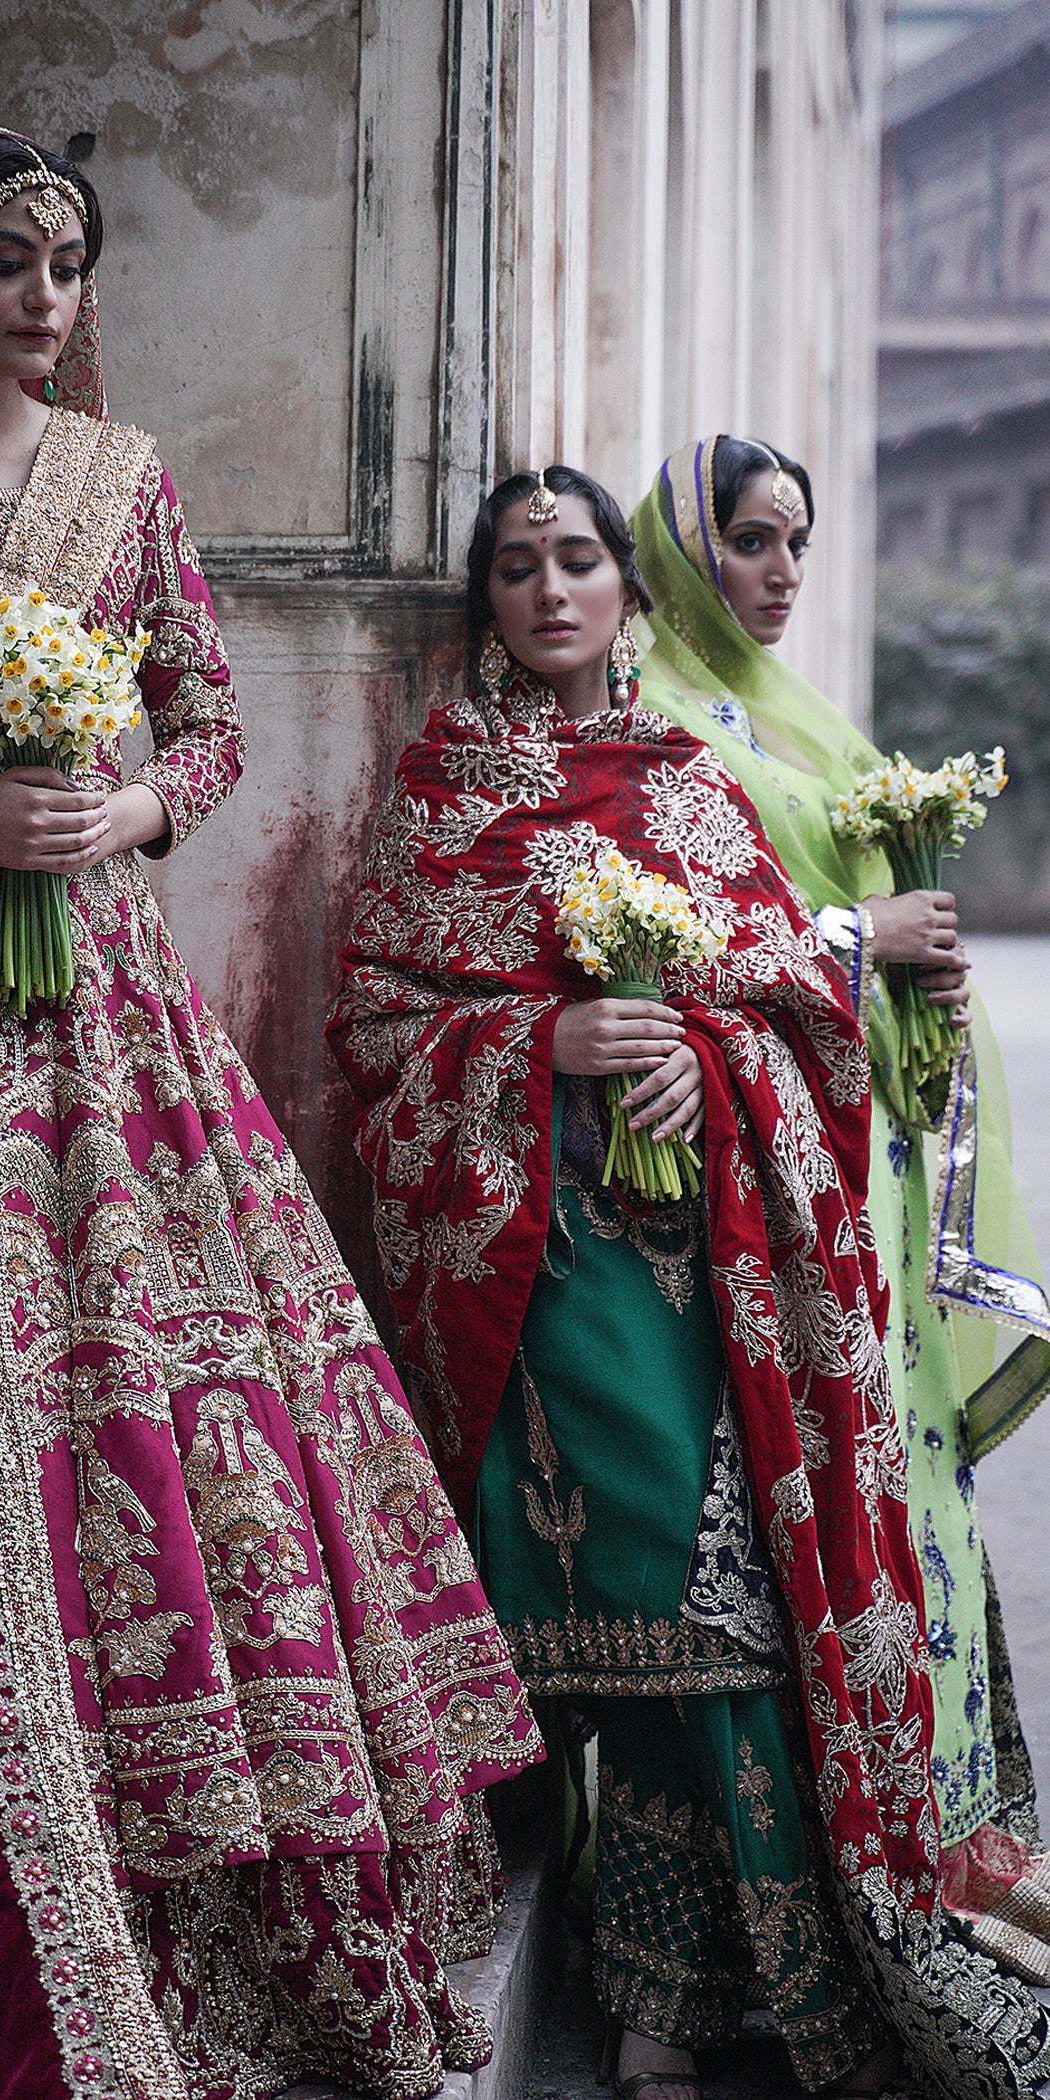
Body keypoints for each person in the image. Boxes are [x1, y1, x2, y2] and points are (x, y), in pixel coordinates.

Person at [0, 127, 540, 2100]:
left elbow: (208, 716)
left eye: (69, 261)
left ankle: (187, 1892)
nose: (48, 294)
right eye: (6, 257)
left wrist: (128, 806)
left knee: (176, 1443)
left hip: (114, 1024)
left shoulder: (124, 478)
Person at [328, 463, 1050, 2100]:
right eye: (515, 570)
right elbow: (375, 1023)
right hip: (547, 1262)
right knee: (624, 1614)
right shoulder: (448, 786)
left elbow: (789, 979)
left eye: (578, 560)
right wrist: (546, 1043)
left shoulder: (688, 783)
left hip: (714, 1269)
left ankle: (714, 1989)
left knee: (720, 1628)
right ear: (489, 607)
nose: (551, 590)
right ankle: (651, 1984)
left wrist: (709, 1054)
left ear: (629, 593)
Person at [629, 437, 1050, 1973]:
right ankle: (784, 1923)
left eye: (798, 542)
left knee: (896, 1491)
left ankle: (939, 1828)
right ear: (684, 559)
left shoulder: (794, 718)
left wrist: (917, 966)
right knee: (770, 1535)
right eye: (749, 542)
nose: (784, 573)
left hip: (852, 1159)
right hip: (748, 1196)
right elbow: (669, 948)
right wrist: (857, 931)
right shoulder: (657, 727)